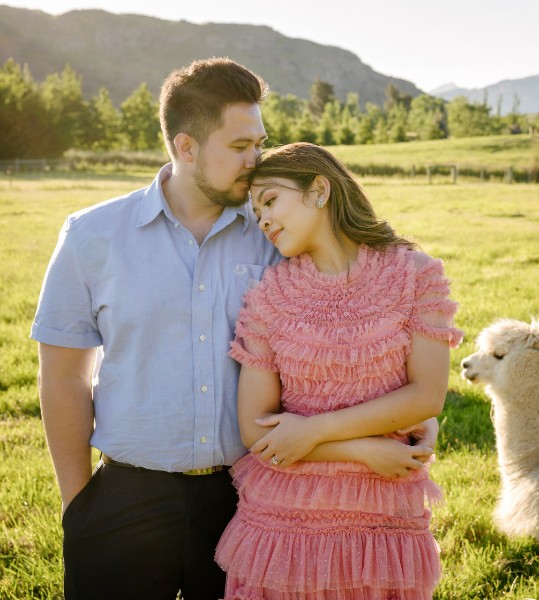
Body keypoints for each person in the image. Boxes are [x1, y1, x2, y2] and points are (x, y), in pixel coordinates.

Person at [31, 58, 430, 599]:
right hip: (125, 498)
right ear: (186, 146)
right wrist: (79, 506)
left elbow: (354, 320)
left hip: (247, 498)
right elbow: (62, 377)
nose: (257, 159)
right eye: (240, 146)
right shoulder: (90, 237)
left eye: (260, 142)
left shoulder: (276, 231)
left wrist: (407, 422)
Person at [214, 142, 464, 599]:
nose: (263, 219)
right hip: (282, 522)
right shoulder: (269, 295)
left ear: (319, 190)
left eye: (270, 200)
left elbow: (426, 397)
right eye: (256, 211)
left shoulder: (415, 275)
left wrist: (313, 430)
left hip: (382, 514)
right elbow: (257, 431)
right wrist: (362, 450)